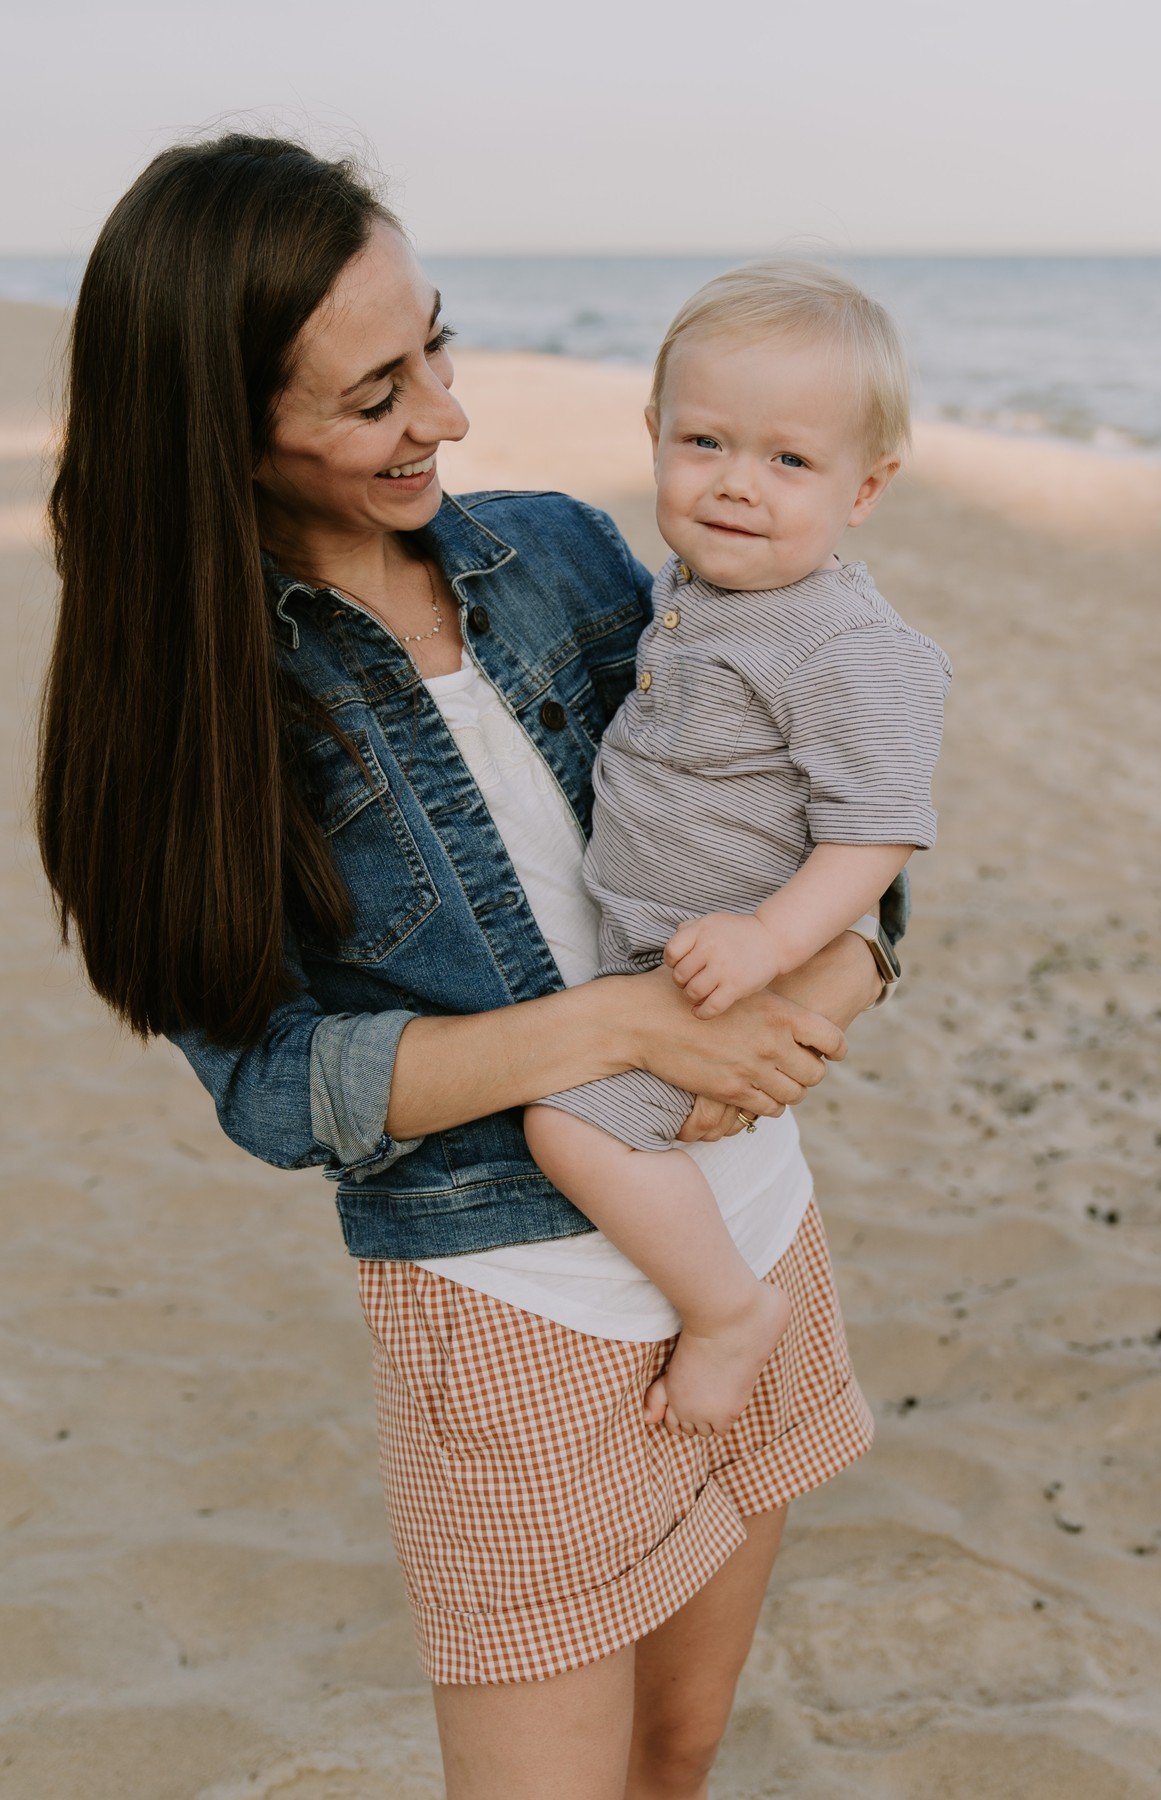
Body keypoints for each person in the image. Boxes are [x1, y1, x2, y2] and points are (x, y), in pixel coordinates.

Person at [34, 133, 909, 1798]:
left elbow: (827, 802)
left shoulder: (568, 556)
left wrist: (836, 982)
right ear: (224, 428)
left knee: (682, 1748)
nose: (444, 411)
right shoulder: (206, 720)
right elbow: (277, 1087)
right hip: (513, 1311)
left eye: (434, 338)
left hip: (756, 1224)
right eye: (375, 395)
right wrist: (611, 1028)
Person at [522, 262, 951, 1439]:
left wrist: (775, 940)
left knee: (565, 1124)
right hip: (656, 955)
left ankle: (725, 1310)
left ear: (866, 489)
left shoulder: (845, 645)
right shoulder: (693, 589)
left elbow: (878, 831)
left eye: (790, 461)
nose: (737, 486)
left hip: (714, 978)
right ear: (653, 434)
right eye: (705, 441)